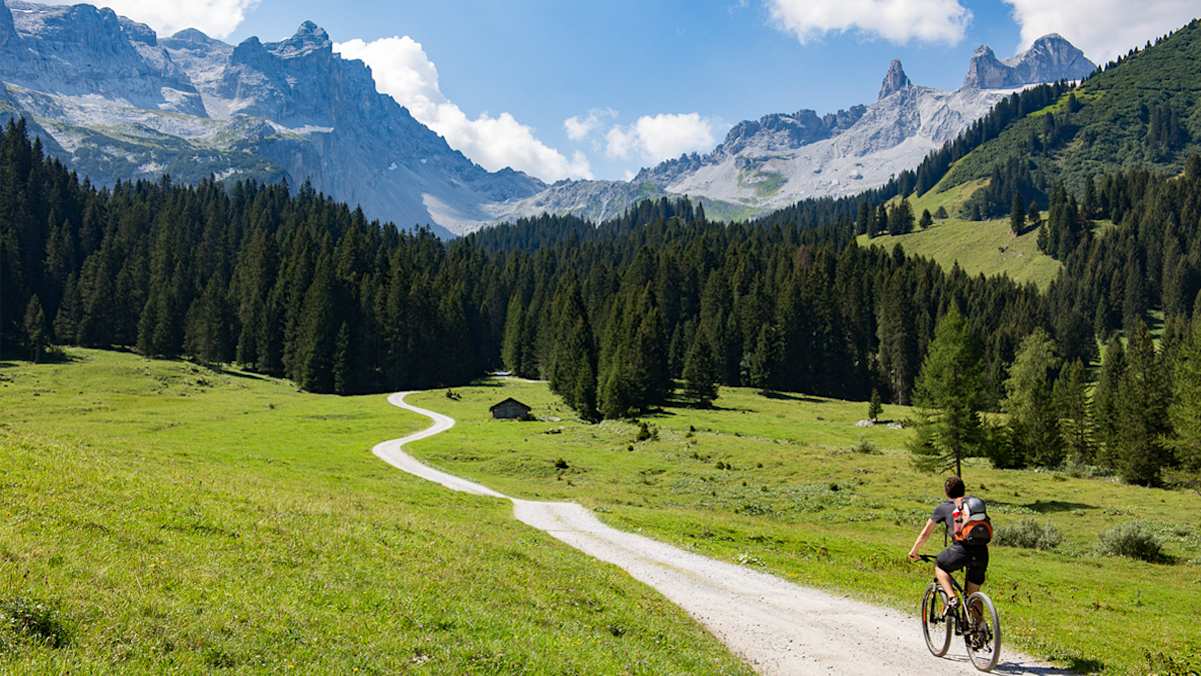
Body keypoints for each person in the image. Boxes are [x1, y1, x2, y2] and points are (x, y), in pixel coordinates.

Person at [907, 475, 988, 617]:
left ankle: (952, 598)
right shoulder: (972, 505)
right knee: (973, 593)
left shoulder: (943, 508)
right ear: (963, 490)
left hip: (961, 550)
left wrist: (914, 551)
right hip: (982, 551)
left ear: (946, 492)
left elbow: (925, 534)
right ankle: (979, 628)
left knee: (940, 565)